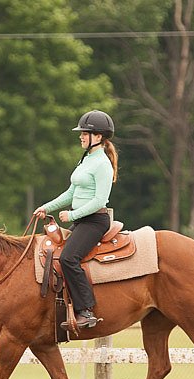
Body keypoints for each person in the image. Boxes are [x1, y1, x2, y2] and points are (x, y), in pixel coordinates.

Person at [34, 110, 119, 329]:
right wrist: (46, 207)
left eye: (85, 133)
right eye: (81, 133)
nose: (80, 136)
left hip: (94, 221)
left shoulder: (102, 164)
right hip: (83, 220)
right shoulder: (87, 159)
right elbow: (71, 193)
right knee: (57, 255)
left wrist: (72, 215)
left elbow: (100, 199)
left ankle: (86, 311)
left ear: (98, 137)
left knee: (68, 258)